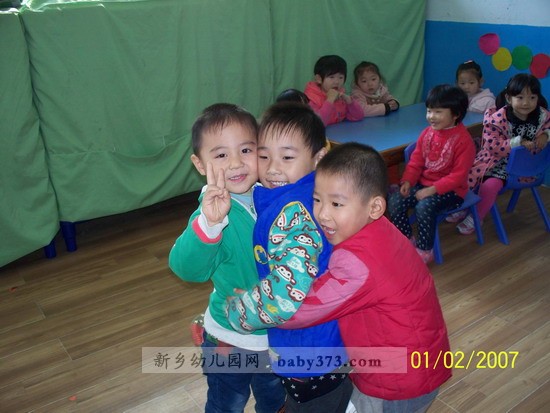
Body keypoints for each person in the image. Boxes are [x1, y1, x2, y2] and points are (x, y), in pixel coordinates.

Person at [280, 142, 452, 413]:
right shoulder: (377, 228)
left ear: (374, 207)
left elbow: (299, 310)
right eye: (317, 199)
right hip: (417, 363)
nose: (322, 213)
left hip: (396, 382)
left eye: (336, 203)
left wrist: (253, 309)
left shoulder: (357, 263)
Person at [226, 102, 352, 412]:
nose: (272, 168)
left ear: (318, 157)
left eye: (287, 157)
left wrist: (239, 312)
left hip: (309, 355)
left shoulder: (293, 213)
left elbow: (283, 296)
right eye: (264, 156)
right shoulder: (306, 194)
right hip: (325, 341)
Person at [168, 103, 285, 413]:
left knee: (274, 401)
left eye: (246, 150)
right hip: (230, 339)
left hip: (276, 335)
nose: (236, 163)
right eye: (221, 155)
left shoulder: (270, 196)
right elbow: (187, 269)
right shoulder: (211, 214)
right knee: (226, 404)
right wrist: (209, 225)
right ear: (199, 163)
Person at [388, 84, 476, 264]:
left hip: (452, 191)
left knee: (424, 206)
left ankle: (424, 249)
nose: (431, 116)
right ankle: (406, 240)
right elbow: (416, 161)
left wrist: (431, 190)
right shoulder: (427, 134)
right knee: (395, 200)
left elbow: (458, 177)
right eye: (429, 111)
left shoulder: (463, 140)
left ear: (456, 114)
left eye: (438, 112)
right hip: (424, 185)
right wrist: (407, 181)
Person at [456, 73, 550, 235]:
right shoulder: (497, 119)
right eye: (520, 97)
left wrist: (546, 135)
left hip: (526, 171)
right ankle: (463, 206)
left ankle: (476, 216)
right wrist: (516, 142)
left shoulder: (543, 116)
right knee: (471, 176)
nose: (526, 103)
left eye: (532, 97)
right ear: (508, 98)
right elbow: (491, 145)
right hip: (496, 162)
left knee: (488, 186)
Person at [303, 55, 363, 126]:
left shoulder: (341, 95)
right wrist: (329, 100)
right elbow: (317, 123)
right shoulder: (310, 99)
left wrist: (350, 102)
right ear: (319, 79)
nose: (337, 82)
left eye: (340, 77)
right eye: (331, 77)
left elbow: (358, 116)